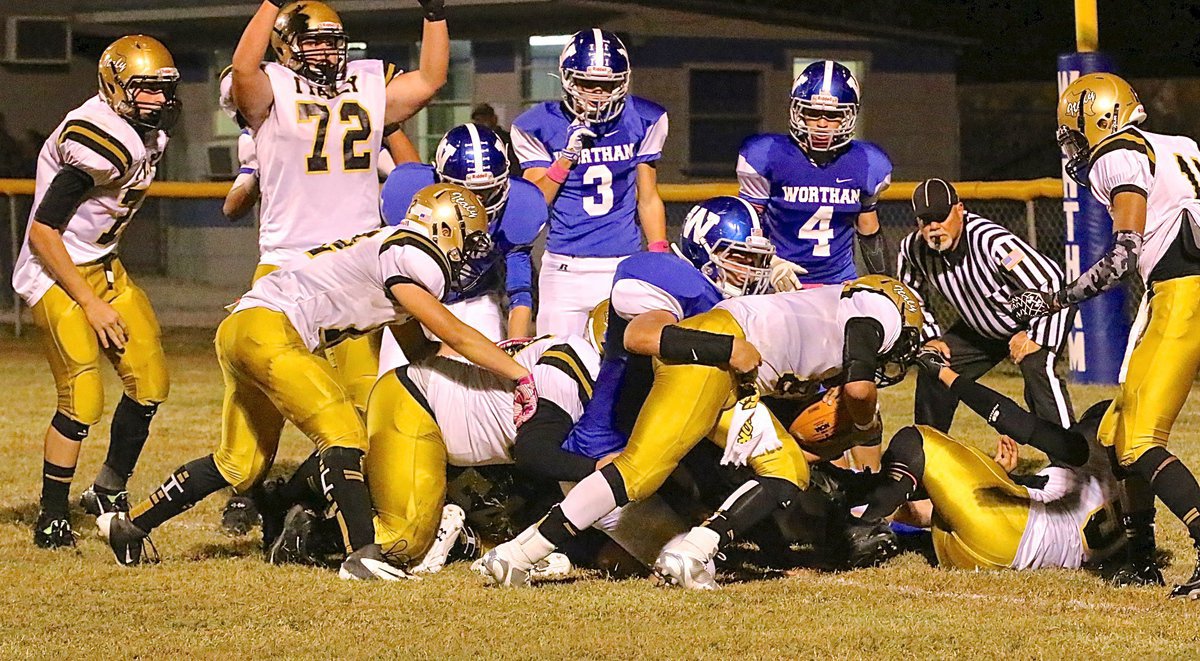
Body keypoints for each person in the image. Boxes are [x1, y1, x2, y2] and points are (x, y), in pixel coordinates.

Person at [97, 185, 540, 581]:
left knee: (240, 464)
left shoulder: (393, 253)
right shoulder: (413, 253)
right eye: (469, 238)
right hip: (271, 329)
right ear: (445, 228)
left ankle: (130, 525)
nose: (469, 252)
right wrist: (520, 373)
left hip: (245, 328)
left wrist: (462, 390)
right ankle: (363, 553)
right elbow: (454, 333)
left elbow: (421, 350)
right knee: (346, 431)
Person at [476, 276, 924, 589]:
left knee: (786, 467)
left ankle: (692, 552)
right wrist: (864, 425)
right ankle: (517, 555)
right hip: (712, 354)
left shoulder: (829, 310)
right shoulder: (877, 309)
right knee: (640, 472)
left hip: (733, 381)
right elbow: (860, 388)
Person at [1007, 73, 1200, 597]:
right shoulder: (1177, 144)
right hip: (1173, 294)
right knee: (1115, 434)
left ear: (1099, 119)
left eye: (1074, 131)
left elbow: (1121, 256)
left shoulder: (1116, 155)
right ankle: (1141, 554)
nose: (1072, 143)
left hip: (1185, 296)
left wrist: (1054, 298)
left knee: (1139, 442)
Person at [227, 0, 450, 413]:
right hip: (288, 259)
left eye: (333, 44)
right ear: (284, 47)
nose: (327, 53)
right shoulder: (269, 88)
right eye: (314, 44)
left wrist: (434, 15)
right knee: (254, 432)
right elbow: (244, 69)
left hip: (355, 259)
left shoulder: (364, 83)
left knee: (364, 398)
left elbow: (431, 79)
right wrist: (270, 5)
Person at [10, 35, 181, 547]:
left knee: (150, 382)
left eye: (161, 89)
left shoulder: (146, 131)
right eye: (143, 89)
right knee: (82, 397)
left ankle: (108, 490)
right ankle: (52, 514)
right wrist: (89, 304)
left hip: (104, 264)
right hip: (55, 270)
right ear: (113, 88)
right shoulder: (98, 138)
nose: (154, 100)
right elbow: (43, 231)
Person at [845, 351, 1124, 573]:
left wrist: (945, 374)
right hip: (997, 554)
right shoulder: (1130, 497)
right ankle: (853, 510)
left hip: (1005, 533)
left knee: (915, 441)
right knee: (943, 499)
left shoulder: (1087, 452)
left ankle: (858, 534)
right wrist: (1000, 474)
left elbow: (1014, 420)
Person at [510, 29, 669, 337]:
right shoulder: (537, 125)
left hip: (623, 264)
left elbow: (647, 197)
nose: (597, 94)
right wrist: (566, 158)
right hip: (565, 268)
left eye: (607, 85)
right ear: (567, 79)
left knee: (625, 371)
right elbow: (535, 204)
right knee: (556, 368)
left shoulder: (644, 118)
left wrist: (659, 253)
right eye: (587, 83)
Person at [898, 178, 1074, 431]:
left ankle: (1072, 460)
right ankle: (928, 453)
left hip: (1028, 317)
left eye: (941, 216)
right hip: (981, 326)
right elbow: (909, 295)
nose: (935, 227)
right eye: (927, 220)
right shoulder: (913, 249)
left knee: (1037, 369)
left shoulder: (992, 242)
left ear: (960, 209)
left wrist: (1036, 337)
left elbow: (1052, 281)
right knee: (932, 366)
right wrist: (929, 338)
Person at [379, 123, 545, 347]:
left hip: (476, 301)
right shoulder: (408, 194)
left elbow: (519, 288)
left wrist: (516, 345)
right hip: (414, 305)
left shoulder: (519, 205)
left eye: (487, 191)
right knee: (397, 377)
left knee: (491, 378)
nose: (476, 203)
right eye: (467, 192)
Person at [737, 60, 892, 290]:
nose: (821, 124)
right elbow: (747, 224)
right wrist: (770, 265)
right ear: (797, 111)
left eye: (832, 115)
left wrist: (886, 284)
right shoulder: (767, 154)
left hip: (839, 283)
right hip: (779, 280)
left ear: (848, 116)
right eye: (812, 112)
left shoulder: (868, 163)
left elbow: (868, 229)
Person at [471, 103, 520, 176]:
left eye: (484, 119)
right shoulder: (474, 142)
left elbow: (514, 166)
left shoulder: (506, 140)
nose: (480, 123)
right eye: (478, 120)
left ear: (494, 119)